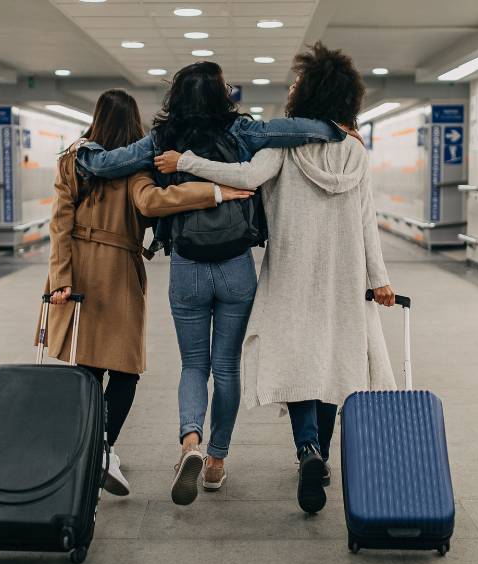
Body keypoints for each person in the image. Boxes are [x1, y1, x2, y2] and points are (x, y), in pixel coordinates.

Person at [74, 62, 354, 506]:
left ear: (176, 96)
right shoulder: (243, 131)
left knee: (193, 366)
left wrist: (84, 151)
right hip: (235, 265)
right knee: (226, 368)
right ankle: (218, 461)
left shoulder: (164, 139)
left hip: (187, 263)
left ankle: (191, 443)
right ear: (223, 93)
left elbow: (110, 164)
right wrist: (333, 129)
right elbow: (295, 129)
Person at [154, 43, 397, 514]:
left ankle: (304, 448)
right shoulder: (356, 153)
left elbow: (242, 175)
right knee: (331, 363)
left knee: (298, 362)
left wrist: (185, 161)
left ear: (310, 94)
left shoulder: (282, 149)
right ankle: (318, 454)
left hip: (291, 271)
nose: (290, 88)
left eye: (297, 84)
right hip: (343, 277)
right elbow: (368, 220)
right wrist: (379, 278)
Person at [42, 89, 254, 497]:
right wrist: (215, 191)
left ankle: (86, 448)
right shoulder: (135, 168)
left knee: (86, 367)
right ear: (133, 126)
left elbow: (59, 224)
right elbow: (155, 201)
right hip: (119, 272)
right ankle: (103, 448)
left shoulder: (72, 161)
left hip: (79, 273)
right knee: (125, 372)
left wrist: (60, 279)